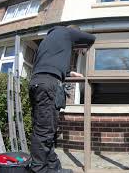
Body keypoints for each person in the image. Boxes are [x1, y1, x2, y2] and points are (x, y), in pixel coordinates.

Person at [29, 25, 96, 173]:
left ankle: (53, 168)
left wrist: (70, 73)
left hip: (38, 83)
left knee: (47, 130)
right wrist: (83, 48)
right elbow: (92, 38)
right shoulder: (67, 31)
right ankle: (38, 170)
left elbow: (55, 66)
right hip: (48, 85)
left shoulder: (50, 40)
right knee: (44, 132)